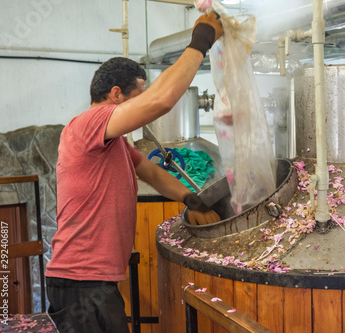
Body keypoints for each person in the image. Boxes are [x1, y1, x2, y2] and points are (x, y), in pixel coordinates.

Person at [45, 12, 223, 333]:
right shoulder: (88, 123)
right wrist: (202, 41)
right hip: (80, 282)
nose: (145, 100)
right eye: (140, 91)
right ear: (116, 95)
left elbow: (151, 173)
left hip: (93, 281)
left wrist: (190, 198)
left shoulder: (115, 144)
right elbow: (163, 101)